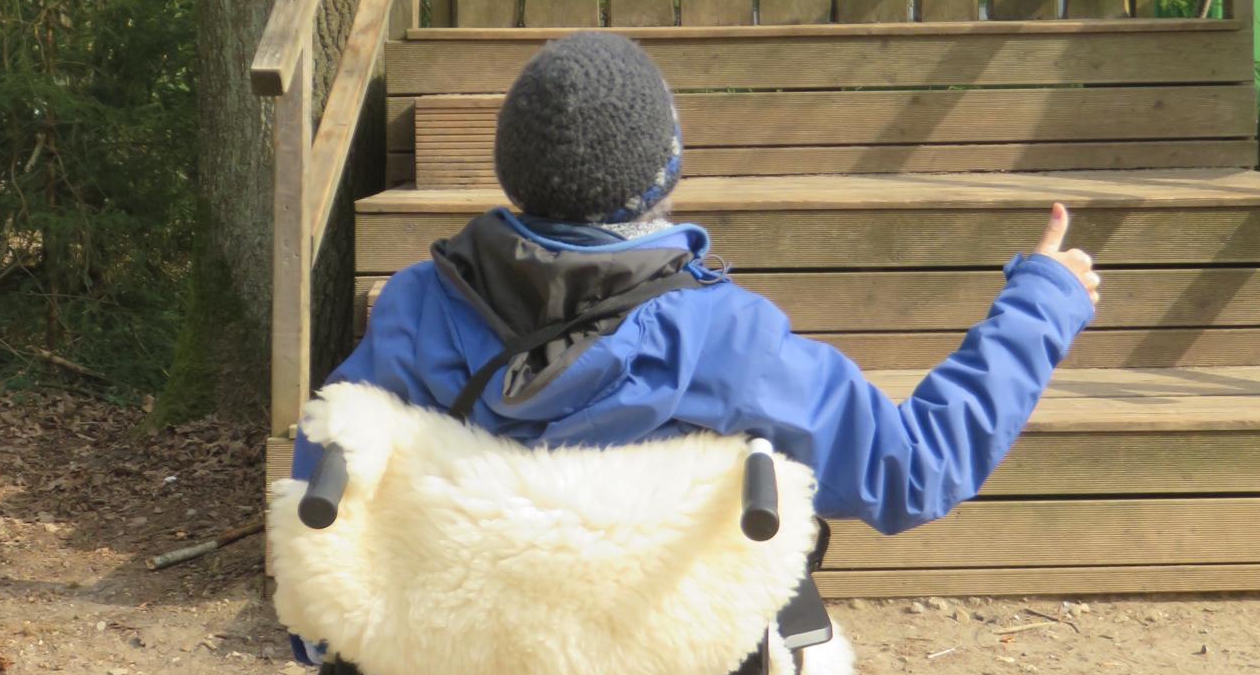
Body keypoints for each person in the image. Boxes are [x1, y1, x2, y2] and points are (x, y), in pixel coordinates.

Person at [293, 31, 1099, 535]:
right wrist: (1043, 302)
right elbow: (913, 471)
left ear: (513, 168)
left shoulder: (415, 311)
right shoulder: (726, 339)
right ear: (664, 171)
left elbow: (323, 499)